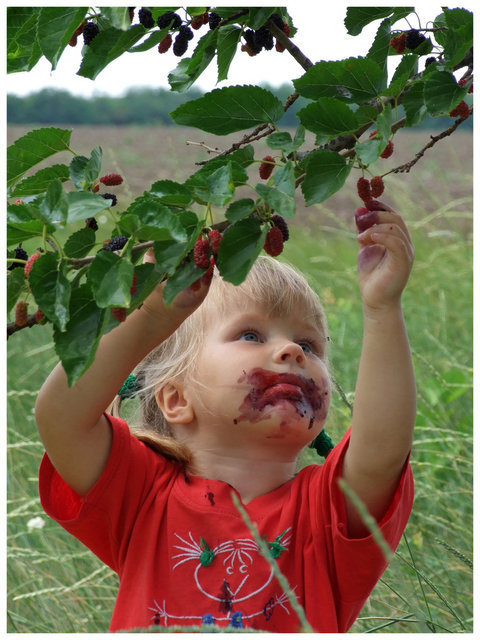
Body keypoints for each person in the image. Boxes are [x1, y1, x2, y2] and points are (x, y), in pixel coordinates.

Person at [35, 200, 416, 633]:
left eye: (309, 346)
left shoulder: (324, 514)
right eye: (250, 335)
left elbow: (383, 449)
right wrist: (150, 316)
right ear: (175, 398)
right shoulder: (141, 497)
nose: (291, 352)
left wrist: (383, 308)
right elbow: (61, 417)